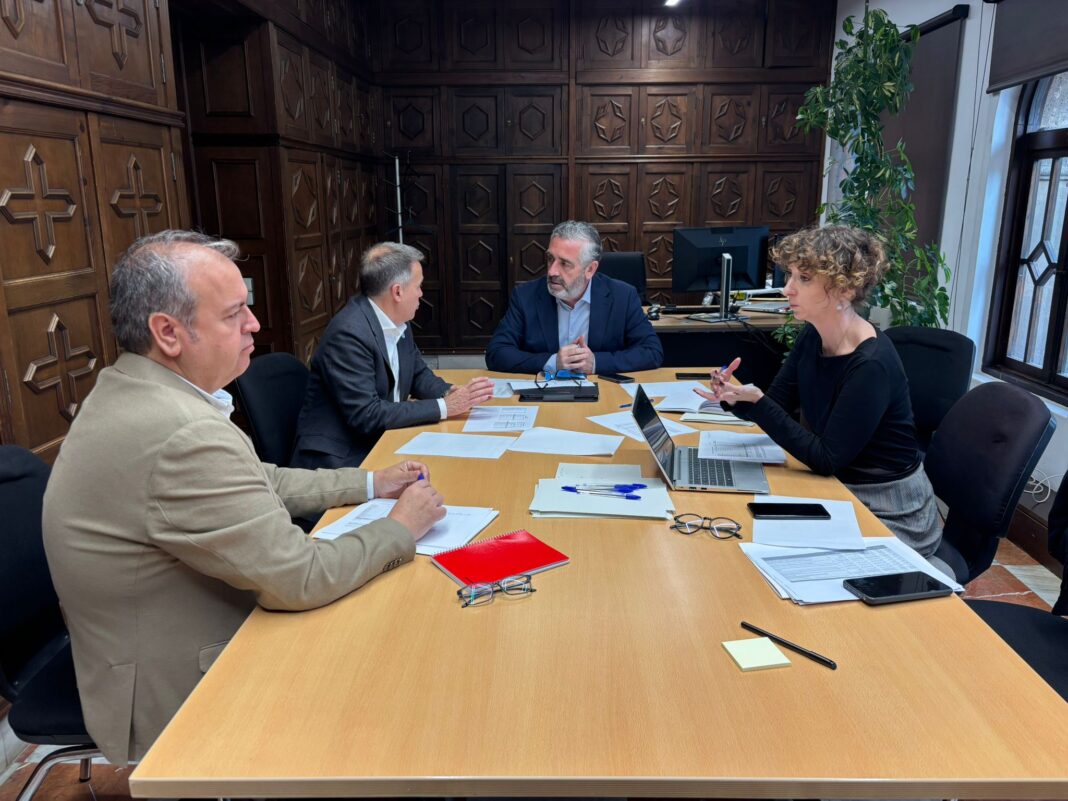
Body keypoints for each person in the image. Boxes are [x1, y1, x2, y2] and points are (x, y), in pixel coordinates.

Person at [42, 230, 446, 765]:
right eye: (235, 313)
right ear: (168, 332)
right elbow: (300, 577)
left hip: (170, 628)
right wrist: (401, 527)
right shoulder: (179, 432)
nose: (254, 324)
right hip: (186, 681)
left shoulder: (137, 387)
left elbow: (258, 480)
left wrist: (371, 483)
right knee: (407, 671)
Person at [696, 225, 943, 562]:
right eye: (790, 276)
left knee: (765, 549)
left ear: (845, 289)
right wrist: (736, 398)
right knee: (739, 523)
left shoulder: (871, 364)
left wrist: (757, 402)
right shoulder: (814, 336)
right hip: (838, 488)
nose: (787, 289)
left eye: (804, 279)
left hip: (891, 509)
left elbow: (826, 458)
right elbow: (777, 404)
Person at [292, 242, 495, 469]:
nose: (421, 294)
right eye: (418, 286)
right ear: (397, 292)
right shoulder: (349, 334)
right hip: (342, 457)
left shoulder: (398, 321)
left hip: (381, 439)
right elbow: (367, 415)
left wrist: (450, 392)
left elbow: (418, 374)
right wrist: (445, 406)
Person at [485, 220, 663, 375]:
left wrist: (596, 363)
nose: (552, 271)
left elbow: (651, 351)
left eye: (565, 263)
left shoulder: (623, 296)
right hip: (544, 392)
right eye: (550, 259)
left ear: (590, 269)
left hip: (603, 393)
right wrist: (553, 362)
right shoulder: (526, 296)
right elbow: (497, 353)